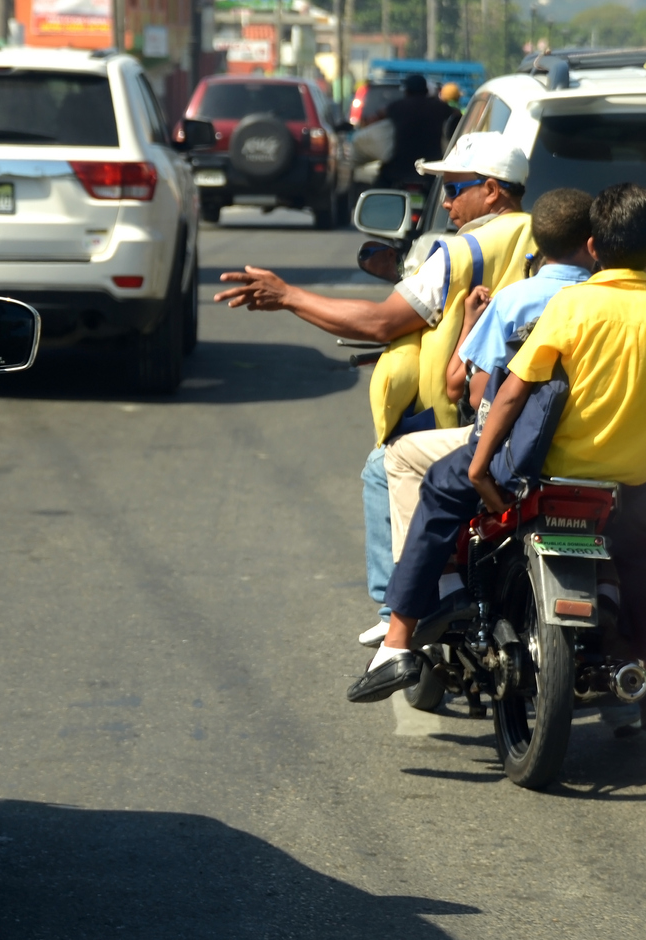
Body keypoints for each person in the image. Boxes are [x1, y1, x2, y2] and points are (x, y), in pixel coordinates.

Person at [351, 184, 646, 735]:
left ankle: (397, 641)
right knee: (645, 554)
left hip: (544, 470)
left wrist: (478, 461)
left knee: (442, 487)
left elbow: (510, 392)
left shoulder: (568, 306)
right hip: (627, 483)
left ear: (595, 245)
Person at [216, 131, 537, 637]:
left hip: (474, 417)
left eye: (456, 188)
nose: (448, 202)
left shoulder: (458, 253)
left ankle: (403, 609)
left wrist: (289, 296)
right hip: (552, 419)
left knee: (381, 466)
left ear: (493, 191)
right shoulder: (554, 242)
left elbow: (380, 324)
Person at [371, 188, 595, 647]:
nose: (450, 199)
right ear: (593, 244)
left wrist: (471, 323)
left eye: (455, 188)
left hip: (511, 451)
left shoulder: (514, 301)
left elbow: (468, 391)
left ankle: (432, 593)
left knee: (398, 458)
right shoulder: (610, 304)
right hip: (596, 450)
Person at [378, 74, 456, 189]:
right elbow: (457, 116)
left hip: (400, 168)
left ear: (406, 91)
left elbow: (378, 117)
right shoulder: (440, 107)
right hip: (431, 168)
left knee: (380, 184)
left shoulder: (397, 107)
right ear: (426, 90)